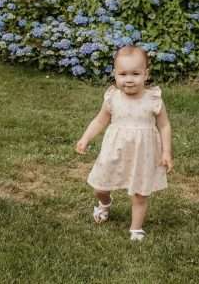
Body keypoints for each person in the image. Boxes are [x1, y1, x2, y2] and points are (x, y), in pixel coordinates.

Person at [75, 45, 174, 241]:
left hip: (143, 154)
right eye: (123, 74)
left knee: (139, 193)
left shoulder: (153, 99)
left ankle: (136, 228)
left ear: (146, 74)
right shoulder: (113, 98)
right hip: (114, 151)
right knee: (100, 186)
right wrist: (85, 138)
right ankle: (104, 203)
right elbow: (100, 120)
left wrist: (166, 152)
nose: (129, 79)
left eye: (135, 73)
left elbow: (164, 126)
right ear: (115, 74)